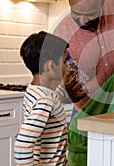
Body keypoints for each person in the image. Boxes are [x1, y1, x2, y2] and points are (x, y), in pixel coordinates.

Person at [14, 31, 86, 166]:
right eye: (65, 61)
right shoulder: (45, 101)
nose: (67, 66)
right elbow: (22, 146)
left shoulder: (34, 91)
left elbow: (52, 100)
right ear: (51, 66)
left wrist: (65, 88)